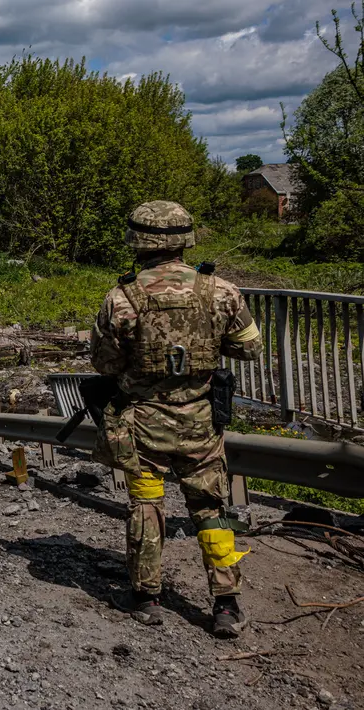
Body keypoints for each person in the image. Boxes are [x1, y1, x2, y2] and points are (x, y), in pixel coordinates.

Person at [89, 200, 262, 638]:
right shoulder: (220, 291)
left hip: (143, 425)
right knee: (210, 508)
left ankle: (146, 599)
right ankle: (225, 605)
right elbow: (250, 347)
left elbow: (105, 364)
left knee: (146, 504)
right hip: (200, 424)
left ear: (137, 241)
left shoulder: (122, 297)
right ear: (186, 238)